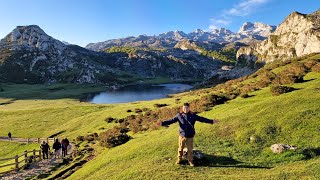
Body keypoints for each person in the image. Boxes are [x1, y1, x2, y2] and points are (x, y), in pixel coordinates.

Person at [158, 103, 218, 167]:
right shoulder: (179, 115)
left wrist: (211, 121)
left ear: (189, 108)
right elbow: (171, 120)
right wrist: (162, 123)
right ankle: (179, 159)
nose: (185, 109)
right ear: (182, 108)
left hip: (190, 136)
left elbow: (202, 119)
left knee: (190, 150)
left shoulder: (193, 115)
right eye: (184, 108)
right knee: (180, 149)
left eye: (187, 108)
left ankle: (190, 161)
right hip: (182, 136)